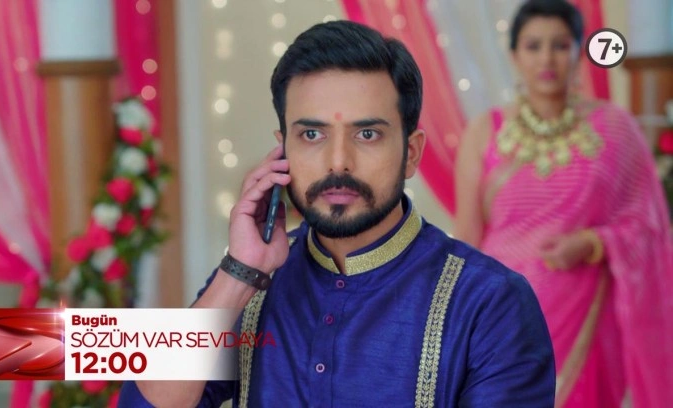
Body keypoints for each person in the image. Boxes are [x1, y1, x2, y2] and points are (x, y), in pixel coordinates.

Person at [120, 20, 555, 407]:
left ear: (411, 153)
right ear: (282, 151)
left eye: (367, 134)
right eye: (312, 134)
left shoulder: (489, 303)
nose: (338, 162)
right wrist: (238, 274)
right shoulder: (249, 285)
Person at [453, 1, 673, 407]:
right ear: (514, 54)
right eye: (533, 45)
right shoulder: (485, 131)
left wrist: (591, 243)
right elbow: (467, 238)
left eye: (559, 45)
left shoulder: (614, 127)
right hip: (505, 316)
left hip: (588, 313)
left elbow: (650, 224)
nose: (546, 58)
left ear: (578, 51)